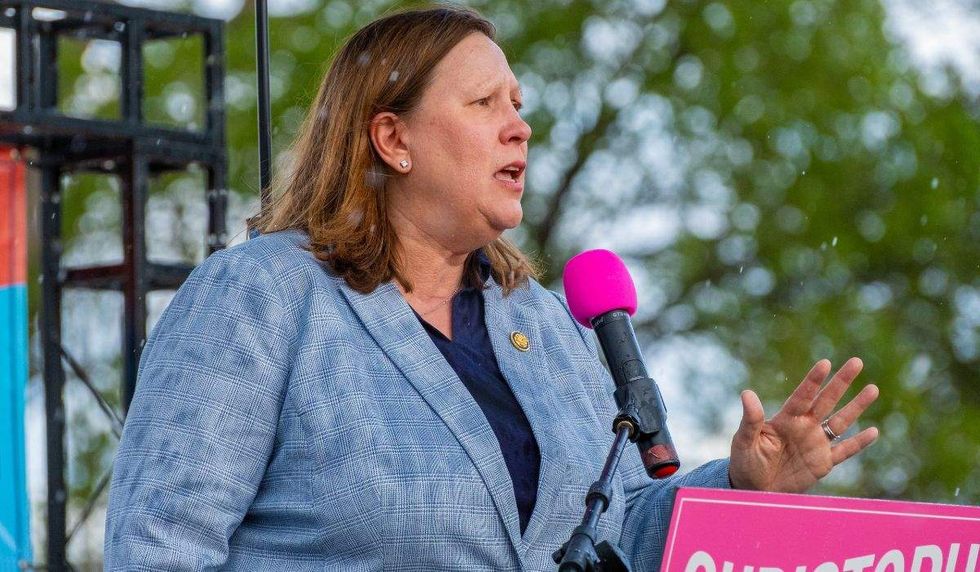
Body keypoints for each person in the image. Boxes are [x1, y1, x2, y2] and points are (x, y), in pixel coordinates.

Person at [103, 6, 879, 571]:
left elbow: (623, 529)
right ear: (393, 139)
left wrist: (741, 486)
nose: (520, 128)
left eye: (519, 106)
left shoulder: (553, 327)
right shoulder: (261, 295)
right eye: (485, 105)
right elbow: (161, 548)